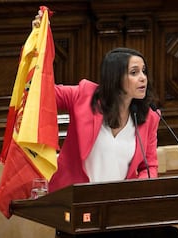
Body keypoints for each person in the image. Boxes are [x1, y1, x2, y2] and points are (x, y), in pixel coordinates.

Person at [32, 11, 160, 193]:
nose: (143, 78)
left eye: (144, 71)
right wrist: (38, 45)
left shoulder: (149, 117)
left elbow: (149, 167)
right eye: (134, 72)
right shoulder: (83, 95)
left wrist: (138, 190)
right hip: (75, 200)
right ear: (115, 77)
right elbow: (40, 93)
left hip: (118, 206)